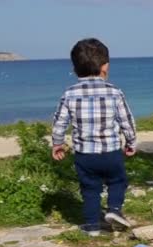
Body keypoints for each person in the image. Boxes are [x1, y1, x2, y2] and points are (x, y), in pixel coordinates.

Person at [51, 38, 137, 236]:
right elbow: (126, 121)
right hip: (111, 152)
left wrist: (57, 144)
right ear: (105, 67)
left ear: (74, 69)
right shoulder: (115, 92)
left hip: (85, 155)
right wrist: (131, 142)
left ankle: (91, 227)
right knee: (117, 181)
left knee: (89, 189)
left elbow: (60, 122)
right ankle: (114, 209)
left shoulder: (69, 94)